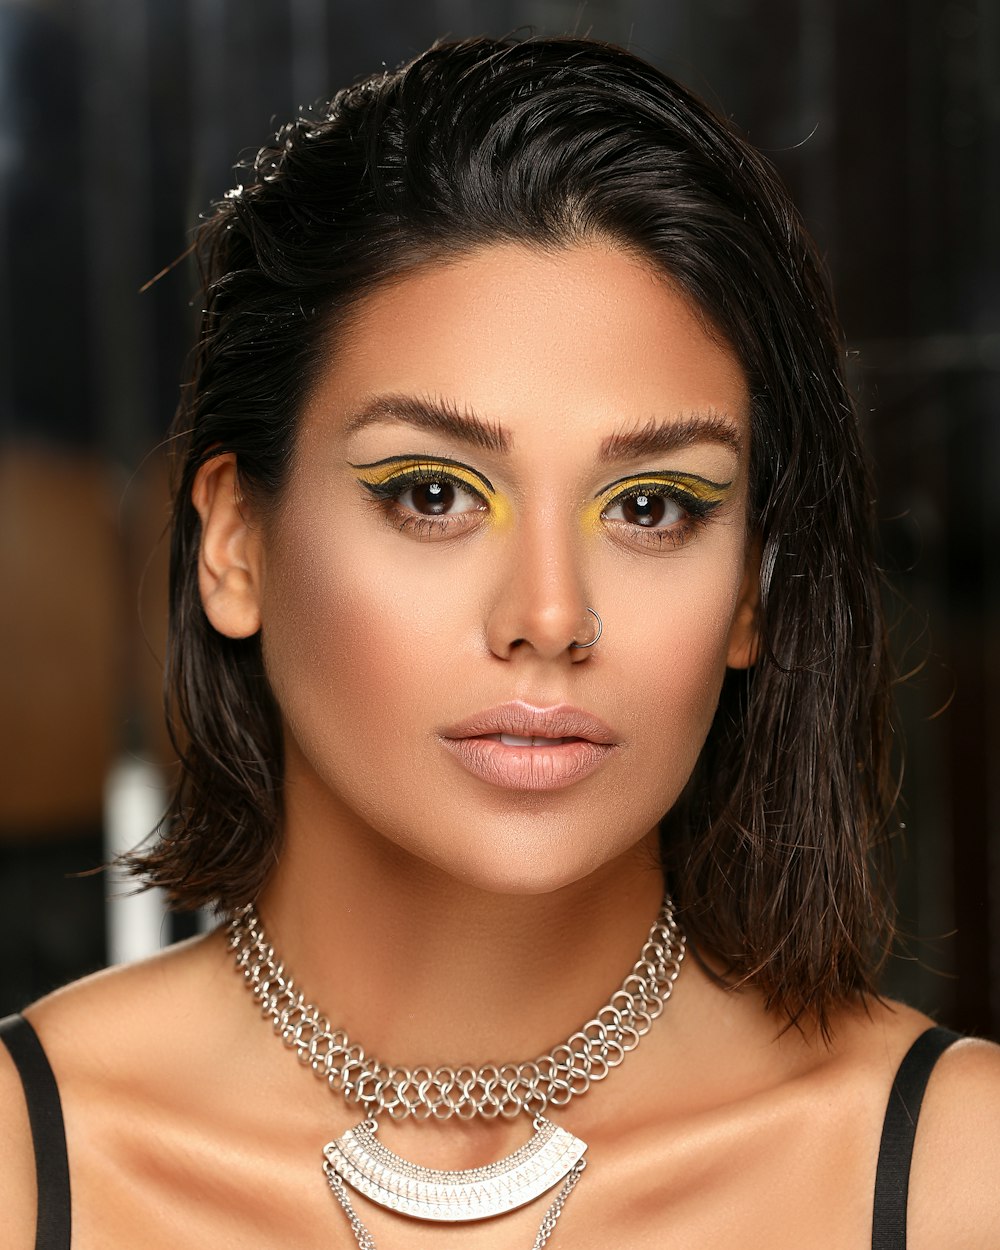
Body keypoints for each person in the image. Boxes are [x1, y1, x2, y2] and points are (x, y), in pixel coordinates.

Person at [1, 34, 997, 1250]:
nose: (548, 616)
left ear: (750, 591)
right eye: (433, 493)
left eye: (651, 506)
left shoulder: (959, 1170)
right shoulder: (23, 1161)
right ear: (235, 544)